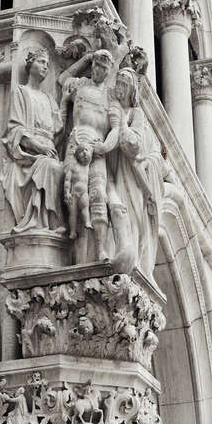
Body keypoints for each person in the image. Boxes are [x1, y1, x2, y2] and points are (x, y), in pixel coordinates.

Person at [59, 49, 119, 262]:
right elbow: (62, 79)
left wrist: (103, 147)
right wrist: (85, 58)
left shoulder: (110, 96)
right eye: (95, 65)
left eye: (103, 68)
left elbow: (116, 128)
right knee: (72, 192)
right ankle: (74, 245)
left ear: (109, 71)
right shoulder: (80, 84)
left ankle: (101, 249)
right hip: (76, 142)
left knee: (98, 195)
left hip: (97, 149)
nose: (98, 70)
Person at [0, 47, 65, 233]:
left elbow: (58, 131)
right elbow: (15, 130)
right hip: (30, 154)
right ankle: (46, 221)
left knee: (62, 169)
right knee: (50, 167)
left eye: (47, 63)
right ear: (30, 65)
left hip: (49, 150)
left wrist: (67, 101)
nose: (45, 66)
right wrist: (38, 146)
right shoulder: (21, 93)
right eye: (41, 62)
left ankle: (51, 220)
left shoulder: (49, 99)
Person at [110, 67, 165, 279]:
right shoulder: (112, 109)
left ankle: (131, 262)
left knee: (131, 213)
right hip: (113, 167)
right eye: (118, 82)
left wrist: (122, 123)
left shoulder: (136, 113)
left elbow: (135, 145)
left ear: (132, 89)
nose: (120, 87)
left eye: (124, 84)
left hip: (130, 174)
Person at [64, 141, 93, 239]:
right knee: (73, 214)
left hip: (84, 193)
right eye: (81, 151)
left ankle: (87, 222)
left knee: (85, 207)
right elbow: (67, 180)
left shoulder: (88, 167)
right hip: (73, 193)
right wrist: (66, 192)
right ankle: (72, 231)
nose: (84, 152)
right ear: (76, 155)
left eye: (86, 150)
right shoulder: (73, 167)